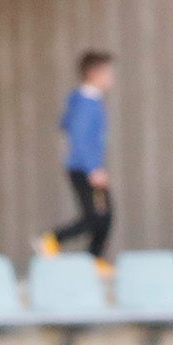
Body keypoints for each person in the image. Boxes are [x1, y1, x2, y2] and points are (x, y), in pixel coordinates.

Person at [39, 51, 115, 269]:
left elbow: (65, 125)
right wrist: (94, 169)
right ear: (93, 73)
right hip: (84, 168)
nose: (111, 78)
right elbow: (79, 136)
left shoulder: (85, 100)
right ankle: (54, 239)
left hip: (84, 166)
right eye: (107, 73)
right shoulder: (86, 101)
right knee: (99, 215)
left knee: (102, 215)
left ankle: (94, 258)